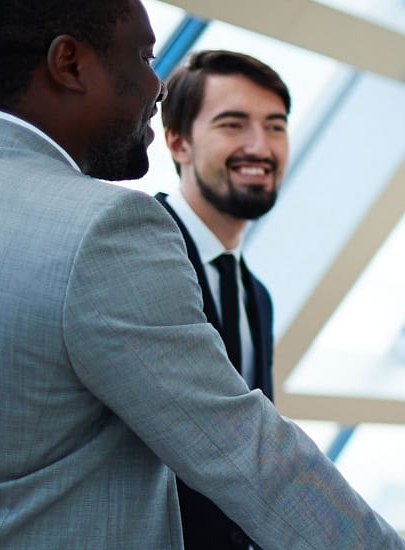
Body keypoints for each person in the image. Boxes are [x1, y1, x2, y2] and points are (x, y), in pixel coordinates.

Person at [0, 1, 405, 547]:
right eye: (142, 57)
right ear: (69, 63)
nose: (157, 85)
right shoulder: (104, 229)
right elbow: (246, 453)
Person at [155, 49, 292, 549]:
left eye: (275, 126)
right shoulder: (139, 254)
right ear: (178, 142)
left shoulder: (257, 296)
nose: (260, 146)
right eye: (233, 124)